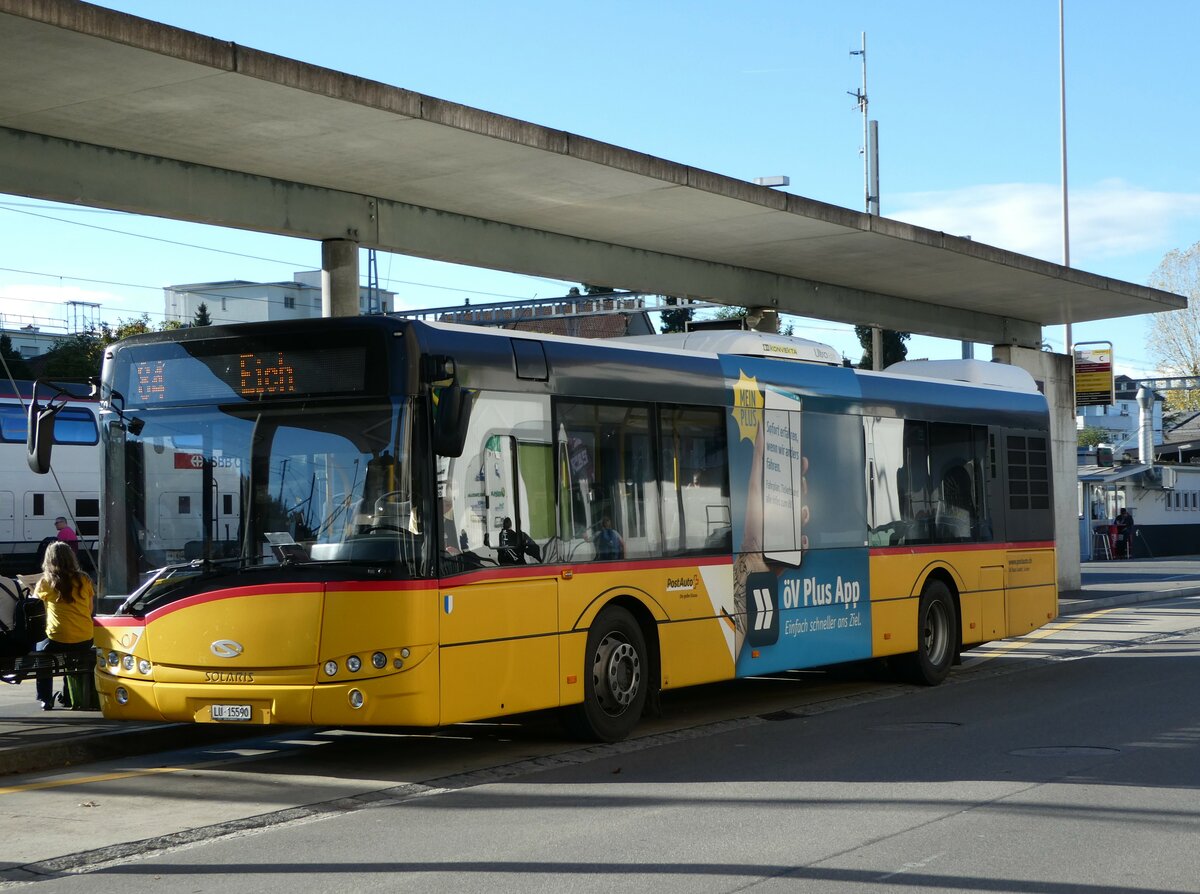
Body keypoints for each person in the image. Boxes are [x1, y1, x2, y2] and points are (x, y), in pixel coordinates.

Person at [33, 540, 95, 711]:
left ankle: (45, 698)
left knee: (41, 650)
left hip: (57, 639)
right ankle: (68, 696)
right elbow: (89, 610)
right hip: (85, 638)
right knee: (71, 657)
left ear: (49, 559)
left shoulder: (46, 582)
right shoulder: (85, 580)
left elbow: (37, 612)